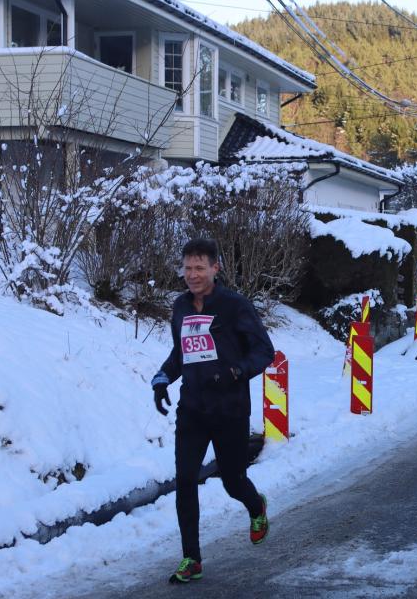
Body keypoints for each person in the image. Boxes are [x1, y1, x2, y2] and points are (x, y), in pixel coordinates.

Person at [151, 238, 276, 584]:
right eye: (187, 268)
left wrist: (235, 372)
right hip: (192, 409)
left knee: (233, 481)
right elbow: (181, 353)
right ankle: (191, 558)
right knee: (186, 480)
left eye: (199, 268)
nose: (192, 275)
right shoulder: (180, 307)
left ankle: (256, 506)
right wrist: (162, 380)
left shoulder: (234, 306)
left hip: (230, 409)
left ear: (215, 268)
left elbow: (265, 351)